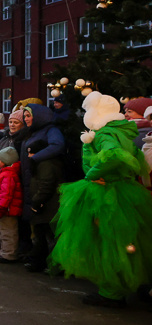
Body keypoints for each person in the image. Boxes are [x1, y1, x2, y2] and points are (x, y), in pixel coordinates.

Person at [51, 92, 152, 306]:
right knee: (119, 241)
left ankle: (112, 292)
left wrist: (92, 174)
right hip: (120, 189)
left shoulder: (105, 133)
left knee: (106, 241)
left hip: (106, 193)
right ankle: (118, 287)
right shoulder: (119, 131)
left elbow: (114, 156)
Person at [19, 104, 65, 272]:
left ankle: (54, 263)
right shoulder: (32, 132)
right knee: (38, 228)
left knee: (48, 230)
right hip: (32, 182)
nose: (26, 119)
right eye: (24, 116)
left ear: (39, 116)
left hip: (45, 187)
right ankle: (38, 259)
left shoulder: (51, 130)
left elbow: (57, 145)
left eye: (28, 115)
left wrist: (36, 158)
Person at [0, 147, 23, 263]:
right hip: (4, 208)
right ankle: (5, 251)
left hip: (6, 210)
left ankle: (9, 254)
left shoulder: (8, 175)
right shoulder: (6, 173)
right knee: (4, 231)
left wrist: (1, 207)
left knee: (8, 232)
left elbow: (6, 193)